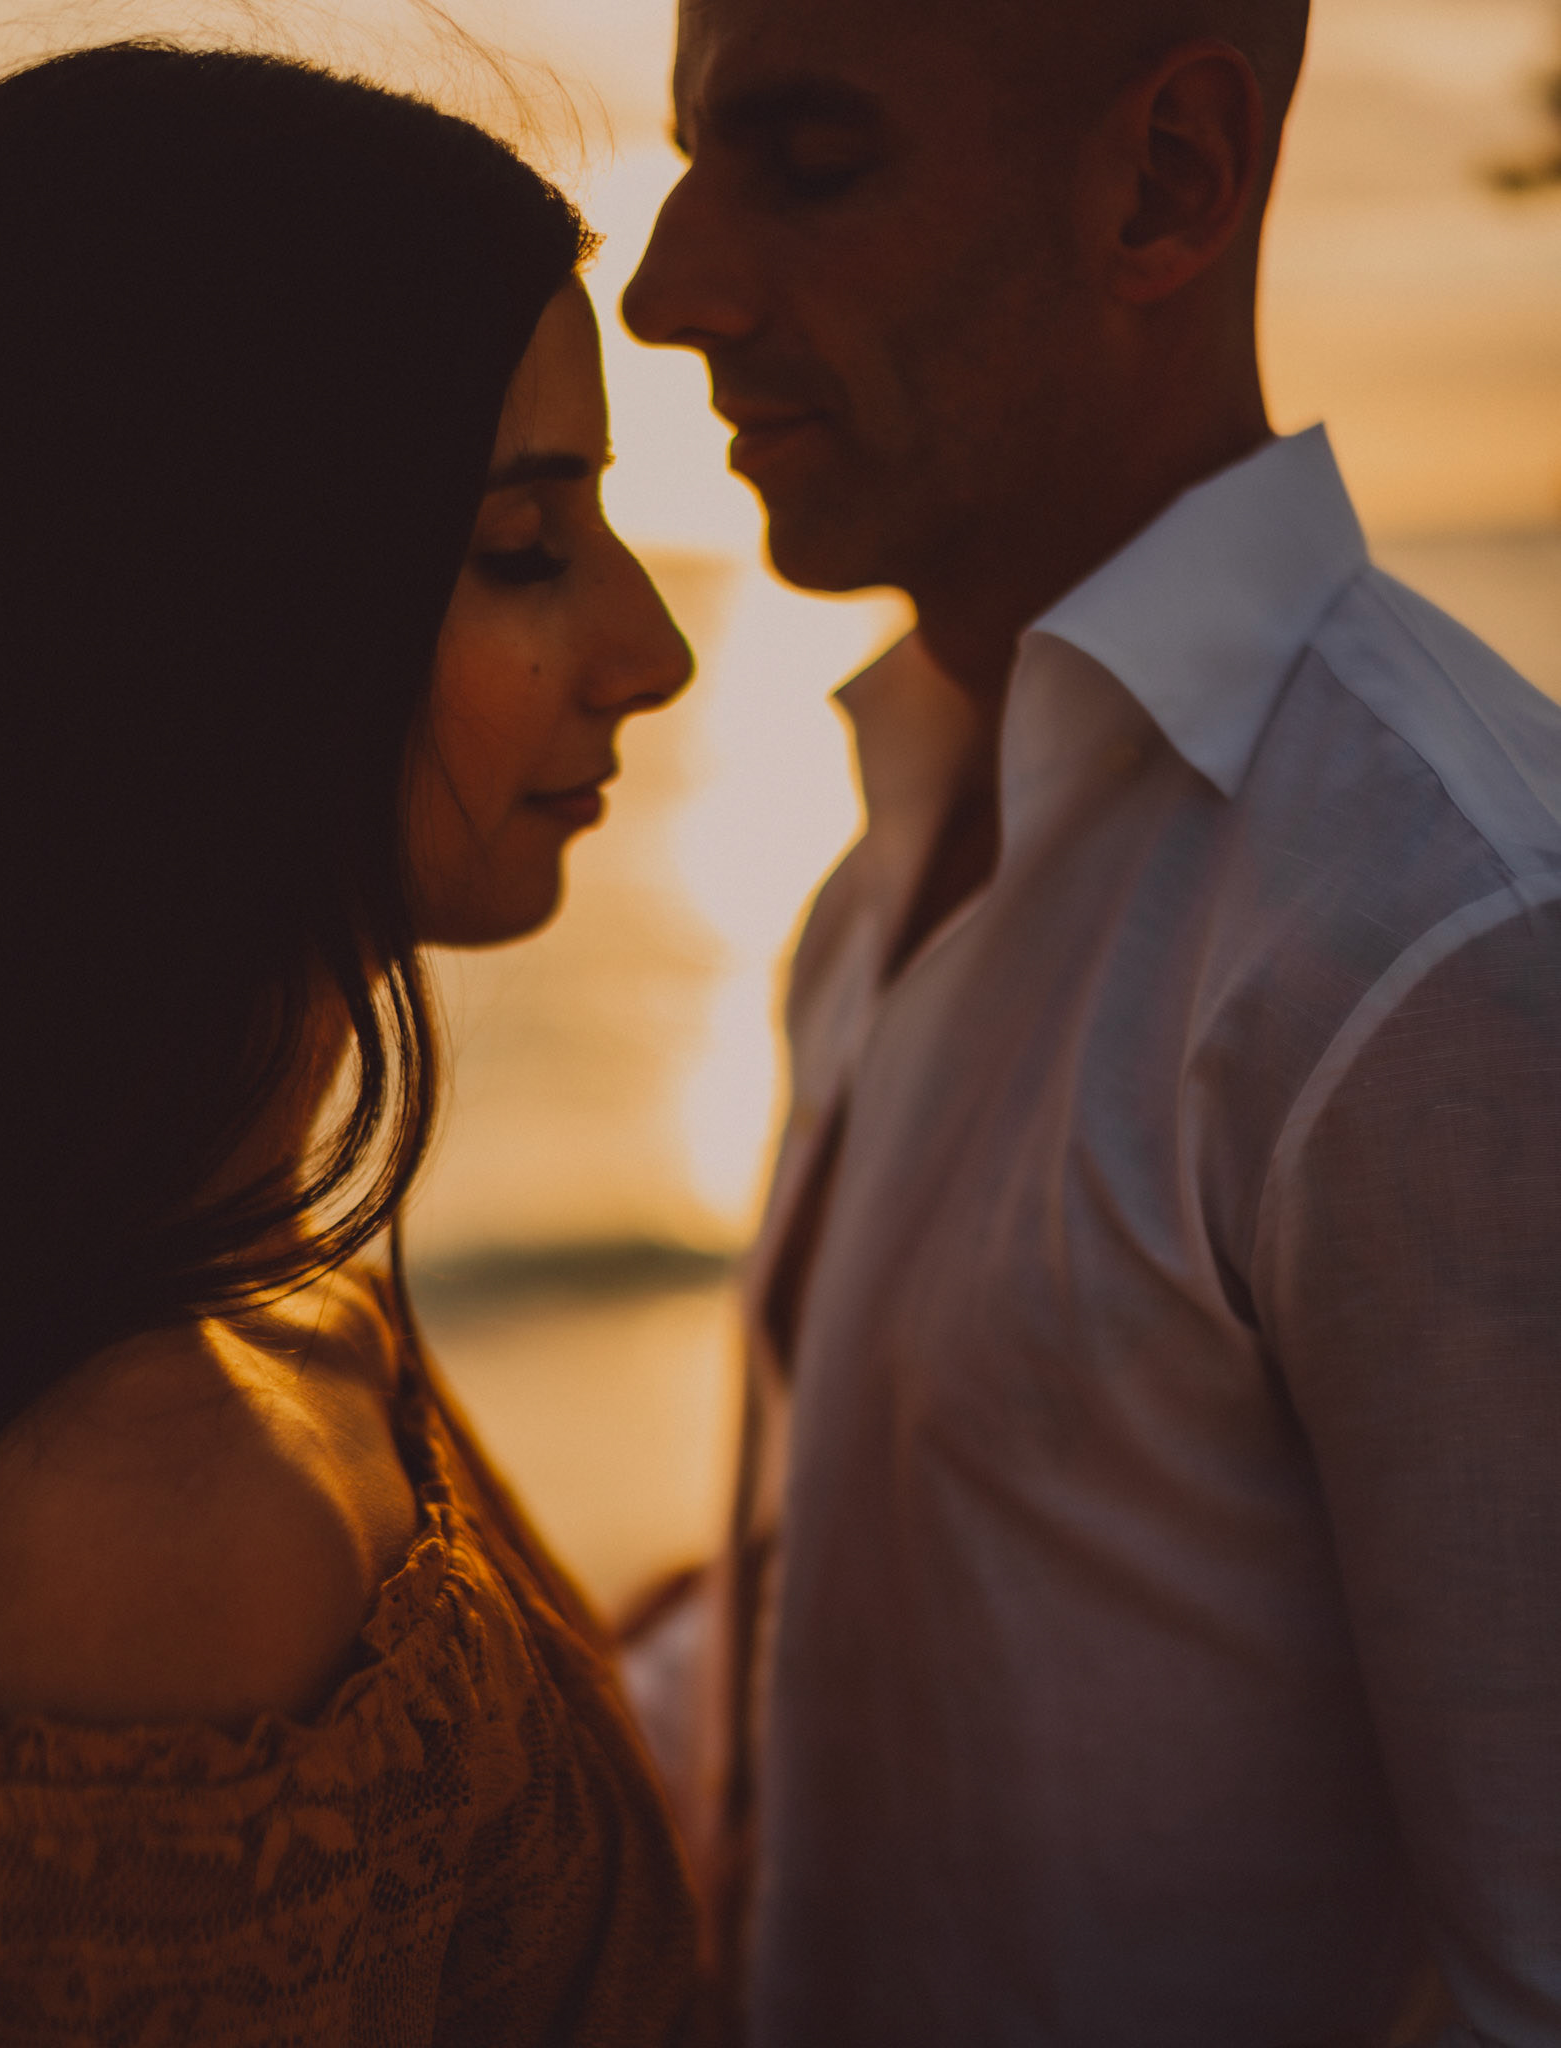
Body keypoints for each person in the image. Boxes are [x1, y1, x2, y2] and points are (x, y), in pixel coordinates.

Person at [622, 0, 1561, 2041]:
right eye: (690, 151)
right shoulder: (874, 867)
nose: (667, 285)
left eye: (809, 157)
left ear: (1168, 183)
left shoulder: (1441, 941)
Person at [0, 42, 705, 2043]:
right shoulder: (152, 1529)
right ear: (222, 604)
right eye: (524, 548)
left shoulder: (293, 1287)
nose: (654, 647)